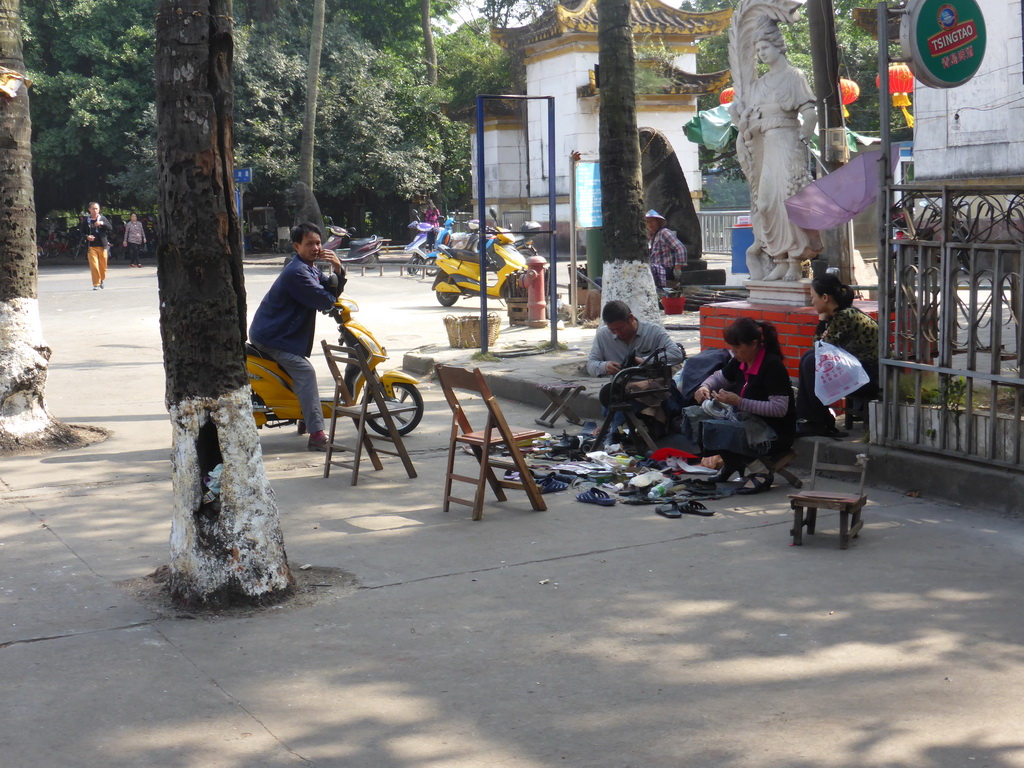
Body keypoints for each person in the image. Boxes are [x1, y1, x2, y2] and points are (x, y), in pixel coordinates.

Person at [729, 19, 821, 282]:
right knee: (766, 202)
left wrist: (806, 133)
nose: (761, 53)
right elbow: (748, 121)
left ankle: (795, 260)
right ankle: (778, 259)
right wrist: (741, 120)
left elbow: (809, 111)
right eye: (758, 50)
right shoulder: (758, 86)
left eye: (765, 47)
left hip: (788, 143)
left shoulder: (794, 77)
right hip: (765, 146)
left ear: (779, 46)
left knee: (789, 201)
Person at [249, 222, 345, 451]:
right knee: (305, 371)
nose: (315, 247)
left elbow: (328, 289)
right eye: (309, 243)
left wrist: (338, 270)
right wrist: (334, 284)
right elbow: (325, 299)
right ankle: (317, 434)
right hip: (273, 336)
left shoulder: (309, 268)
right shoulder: (298, 273)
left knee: (301, 370)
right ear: (296, 246)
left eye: (318, 243)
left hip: (281, 334)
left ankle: (304, 416)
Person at [689, 317, 796, 491]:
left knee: (726, 430)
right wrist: (704, 387)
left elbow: (779, 409)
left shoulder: (772, 366)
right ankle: (731, 463)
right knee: (695, 416)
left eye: (737, 347)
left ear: (754, 344)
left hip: (773, 432)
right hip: (746, 422)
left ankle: (761, 473)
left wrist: (739, 401)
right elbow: (719, 377)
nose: (734, 351)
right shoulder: (740, 361)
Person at [586, 301, 685, 443]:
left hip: (652, 385)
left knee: (625, 396)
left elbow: (676, 354)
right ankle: (614, 433)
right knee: (613, 393)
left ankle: (614, 433)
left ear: (631, 318)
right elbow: (590, 364)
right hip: (622, 386)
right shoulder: (604, 336)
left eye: (620, 328)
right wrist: (604, 366)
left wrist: (644, 361)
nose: (617, 333)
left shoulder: (653, 332)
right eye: (613, 330)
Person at [796, 274, 880, 437]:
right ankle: (811, 419)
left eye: (813, 297)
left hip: (870, 375)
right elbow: (818, 348)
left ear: (825, 297)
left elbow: (820, 349)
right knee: (808, 358)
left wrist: (821, 321)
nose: (812, 301)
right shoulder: (838, 315)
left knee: (811, 361)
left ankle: (819, 421)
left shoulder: (845, 316)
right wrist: (823, 319)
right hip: (859, 369)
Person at [645, 210, 687, 294]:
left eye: (652, 221)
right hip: (657, 270)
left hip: (666, 269)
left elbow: (680, 248)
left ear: (658, 222)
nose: (650, 224)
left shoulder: (664, 232)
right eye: (647, 222)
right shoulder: (652, 236)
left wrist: (677, 267)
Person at [81, 202, 113, 290]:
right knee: (94, 266)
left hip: (103, 246)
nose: (95, 210)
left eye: (96, 209)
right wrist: (87, 237)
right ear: (89, 209)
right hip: (91, 247)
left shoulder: (102, 218)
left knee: (103, 267)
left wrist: (102, 223)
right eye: (93, 209)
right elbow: (81, 232)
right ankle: (96, 284)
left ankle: (101, 279)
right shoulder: (86, 220)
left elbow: (110, 228)